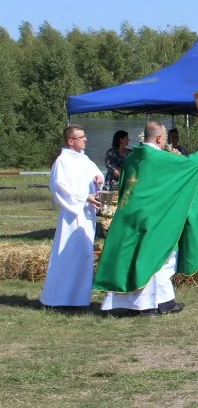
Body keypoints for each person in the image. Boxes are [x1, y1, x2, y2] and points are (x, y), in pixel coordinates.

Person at [93, 122, 198, 316]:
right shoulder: (158, 157)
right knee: (159, 257)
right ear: (158, 138)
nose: (165, 141)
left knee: (135, 257)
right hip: (153, 217)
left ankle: (165, 301)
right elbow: (192, 164)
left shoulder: (133, 156)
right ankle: (145, 305)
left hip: (130, 214)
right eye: (164, 138)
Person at [39, 125, 104, 310]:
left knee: (83, 255)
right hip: (72, 215)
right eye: (81, 137)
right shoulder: (62, 161)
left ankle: (79, 298)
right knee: (68, 255)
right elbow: (59, 187)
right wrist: (84, 197)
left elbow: (96, 174)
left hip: (86, 214)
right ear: (70, 141)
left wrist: (98, 179)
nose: (85, 139)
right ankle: (59, 298)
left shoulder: (83, 159)